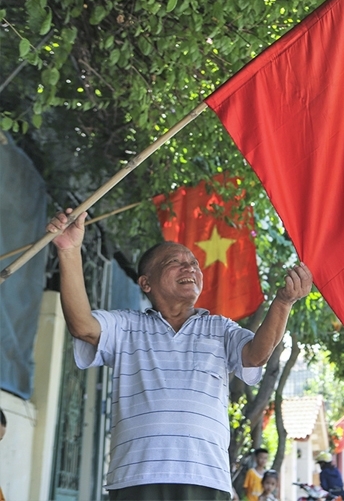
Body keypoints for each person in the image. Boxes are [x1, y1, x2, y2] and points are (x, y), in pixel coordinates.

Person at [47, 209, 313, 501]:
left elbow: (256, 355)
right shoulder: (126, 326)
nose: (190, 268)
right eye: (175, 262)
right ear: (146, 283)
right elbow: (82, 327)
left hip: (205, 476)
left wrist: (284, 302)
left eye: (193, 263)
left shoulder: (220, 328)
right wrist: (69, 251)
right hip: (137, 477)